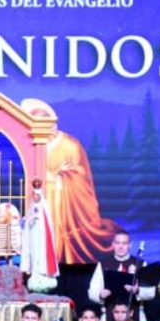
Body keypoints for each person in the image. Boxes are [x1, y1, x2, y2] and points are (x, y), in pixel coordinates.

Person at [20, 97, 118, 264]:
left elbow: (81, 176)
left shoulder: (70, 145)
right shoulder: (32, 146)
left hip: (64, 206)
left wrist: (58, 178)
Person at [20, 179, 59, 291]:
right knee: (34, 254)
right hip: (33, 235)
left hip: (41, 238)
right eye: (34, 195)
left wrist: (33, 220)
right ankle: (34, 273)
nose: (35, 197)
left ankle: (42, 273)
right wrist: (25, 221)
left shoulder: (43, 207)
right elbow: (28, 219)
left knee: (40, 255)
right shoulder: (32, 206)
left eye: (37, 195)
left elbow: (44, 223)